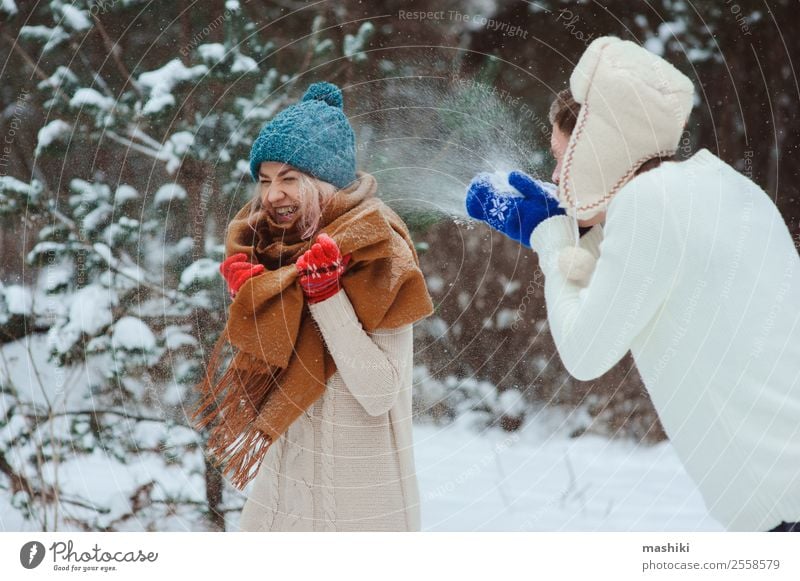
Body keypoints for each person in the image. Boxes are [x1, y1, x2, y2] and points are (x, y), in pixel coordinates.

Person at [466, 36, 800, 532]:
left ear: (598, 146)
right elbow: (658, 276)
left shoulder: (647, 205)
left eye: (563, 156)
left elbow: (584, 353)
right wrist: (582, 232)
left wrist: (552, 238)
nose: (557, 174)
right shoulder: (727, 185)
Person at [193, 82, 434, 531]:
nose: (272, 195)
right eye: (265, 180)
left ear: (324, 181)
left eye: (288, 179)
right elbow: (273, 381)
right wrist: (258, 304)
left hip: (362, 513)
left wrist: (327, 297)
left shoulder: (378, 252)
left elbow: (379, 391)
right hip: (282, 502)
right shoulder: (271, 253)